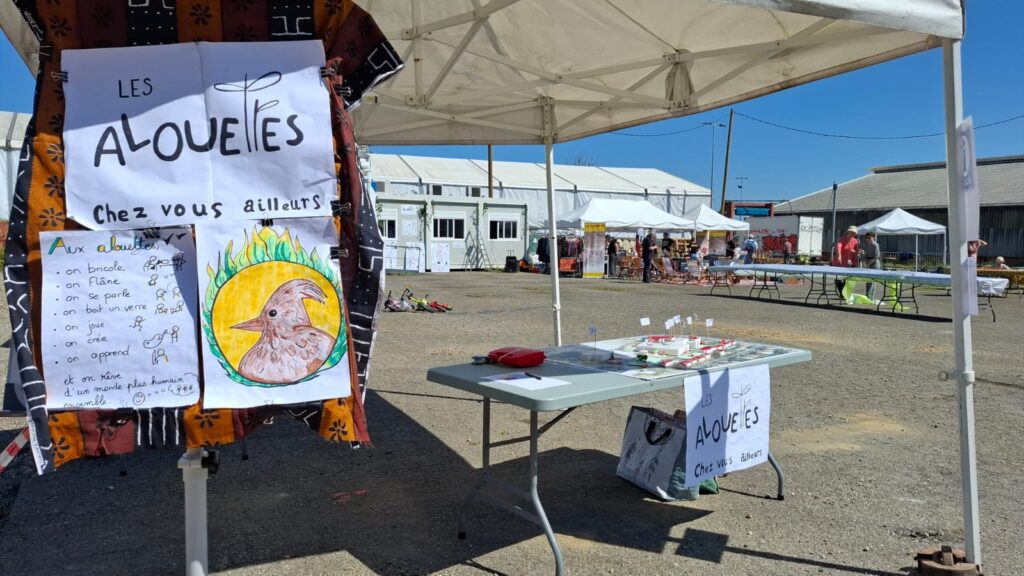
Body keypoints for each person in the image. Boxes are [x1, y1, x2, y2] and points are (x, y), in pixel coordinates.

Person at [860, 231, 881, 300]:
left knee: (872, 281)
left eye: (869, 237)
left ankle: (871, 297)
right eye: (866, 237)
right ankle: (867, 296)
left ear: (873, 237)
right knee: (868, 280)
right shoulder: (866, 245)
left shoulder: (875, 245)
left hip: (875, 264)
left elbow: (877, 256)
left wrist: (869, 263)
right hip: (868, 263)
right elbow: (865, 255)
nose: (868, 239)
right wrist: (864, 260)